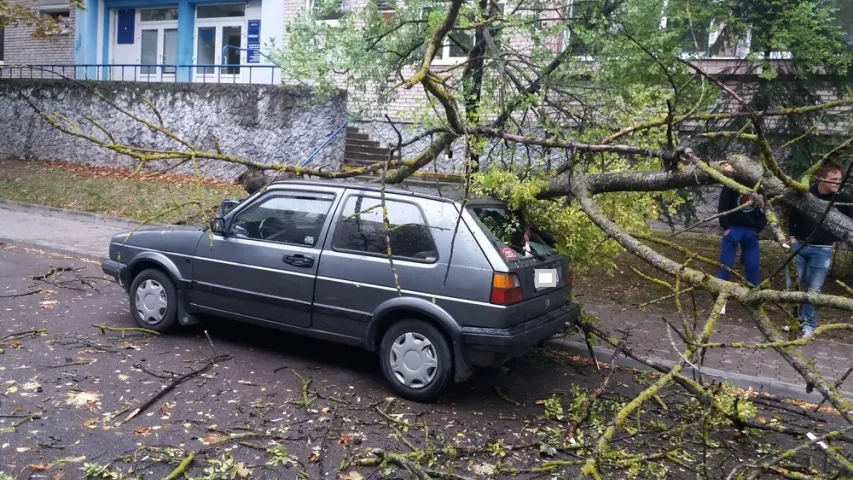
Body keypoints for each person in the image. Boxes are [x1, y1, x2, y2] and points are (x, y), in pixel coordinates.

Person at [787, 160, 853, 338]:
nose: (838, 182)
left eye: (840, 179)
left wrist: (835, 238)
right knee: (792, 285)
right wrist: (792, 237)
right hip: (799, 245)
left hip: (822, 250)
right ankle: (794, 320)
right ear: (820, 179)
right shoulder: (806, 194)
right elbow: (790, 214)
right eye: (833, 179)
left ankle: (810, 325)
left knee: (813, 290)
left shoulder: (844, 199)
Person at [717, 185, 768, 314]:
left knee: (753, 265)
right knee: (726, 265)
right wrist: (726, 228)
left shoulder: (759, 185)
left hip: (750, 231)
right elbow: (722, 206)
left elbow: (766, 208)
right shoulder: (730, 184)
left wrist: (757, 228)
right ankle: (721, 300)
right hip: (733, 228)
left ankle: (753, 300)